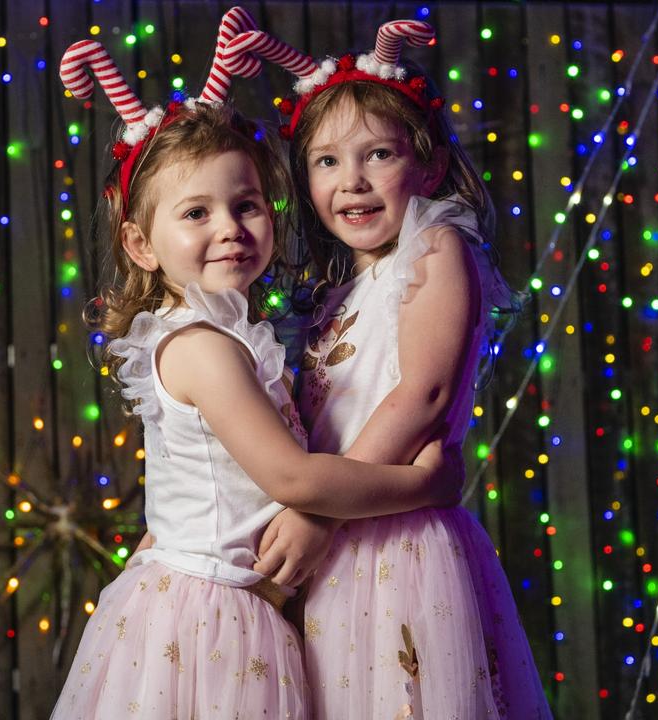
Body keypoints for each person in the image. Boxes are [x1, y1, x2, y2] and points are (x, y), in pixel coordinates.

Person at [51, 14, 461, 717]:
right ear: (140, 244)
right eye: (196, 213)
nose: (230, 229)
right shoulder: (205, 349)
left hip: (235, 600)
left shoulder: (231, 333)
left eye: (245, 205)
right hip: (214, 614)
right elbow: (290, 478)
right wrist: (420, 486)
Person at [220, 19, 553, 718]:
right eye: (327, 161)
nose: (354, 181)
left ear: (427, 165)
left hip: (399, 553)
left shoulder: (435, 248)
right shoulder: (335, 295)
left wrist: (314, 513)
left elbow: (423, 395)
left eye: (378, 154)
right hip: (334, 563)